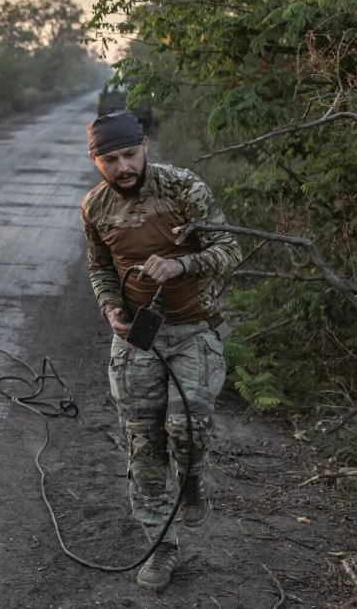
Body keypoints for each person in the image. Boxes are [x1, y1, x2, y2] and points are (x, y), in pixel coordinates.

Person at [79, 112, 242, 591]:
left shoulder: (183, 188)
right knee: (143, 444)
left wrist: (182, 265)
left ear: (144, 146)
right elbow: (100, 268)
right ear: (95, 160)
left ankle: (191, 479)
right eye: (110, 160)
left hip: (193, 329)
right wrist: (111, 308)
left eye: (130, 155)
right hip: (138, 336)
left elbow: (230, 248)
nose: (123, 167)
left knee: (188, 427)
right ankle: (161, 549)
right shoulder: (94, 206)